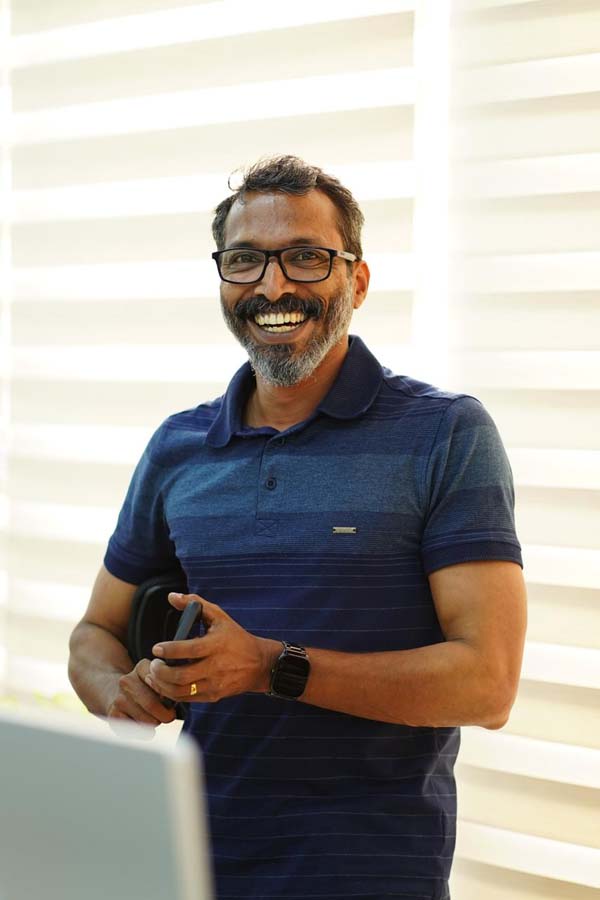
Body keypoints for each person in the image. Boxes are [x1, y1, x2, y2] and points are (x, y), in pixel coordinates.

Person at [68, 155, 527, 900]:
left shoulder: (446, 434)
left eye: (306, 258)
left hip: (370, 878)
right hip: (191, 869)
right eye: (245, 260)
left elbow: (487, 685)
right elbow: (94, 632)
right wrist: (119, 690)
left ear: (358, 281)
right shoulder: (178, 447)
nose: (272, 287)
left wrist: (268, 666)